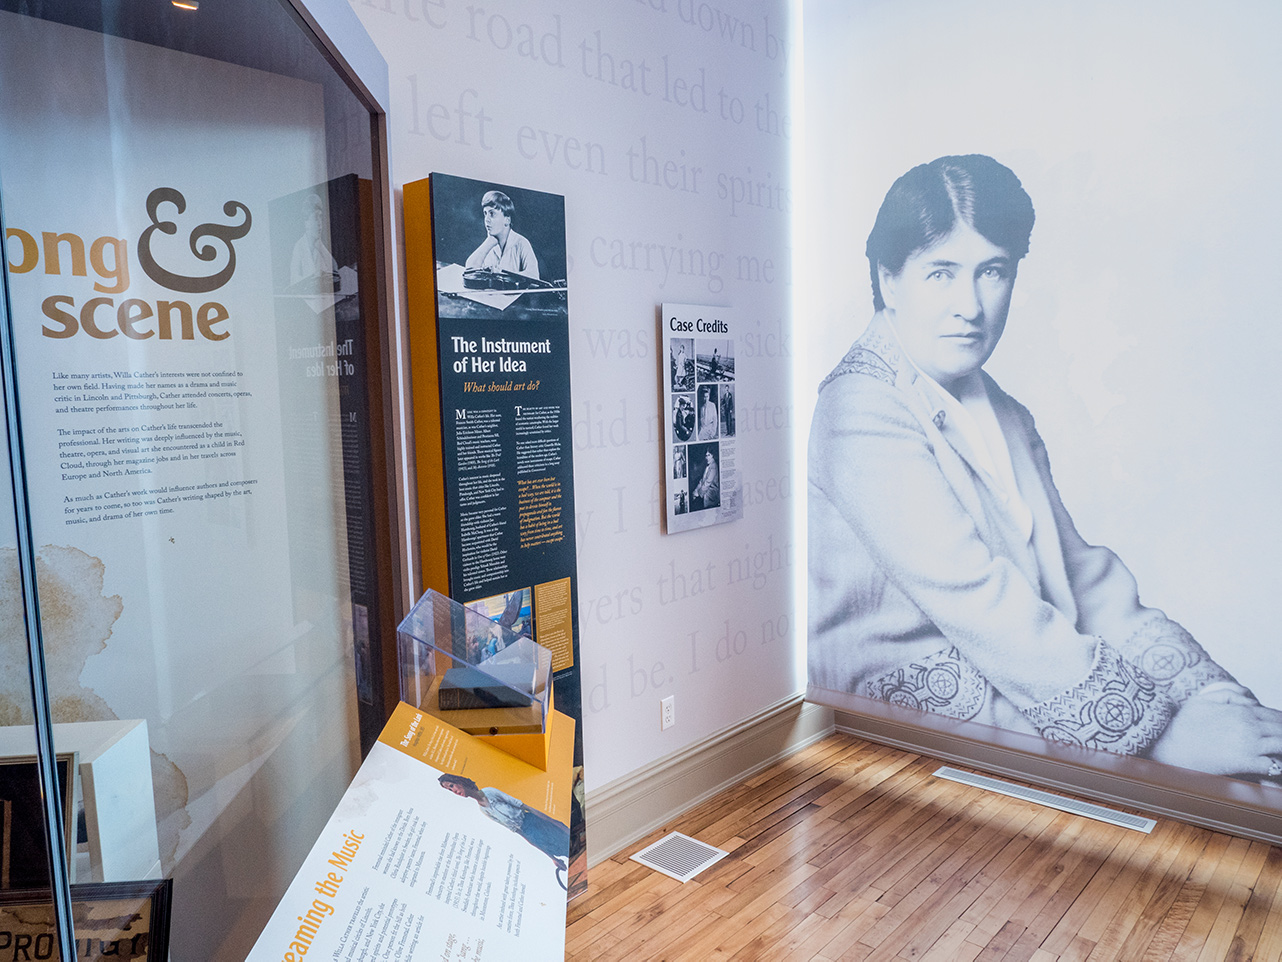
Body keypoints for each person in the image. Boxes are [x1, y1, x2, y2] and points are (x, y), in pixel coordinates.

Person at [808, 154, 1282, 782]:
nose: (970, 306)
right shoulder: (858, 406)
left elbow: (1083, 579)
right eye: (941, 273)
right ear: (888, 280)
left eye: (992, 272)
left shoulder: (1003, 411)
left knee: (1245, 763)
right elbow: (980, 601)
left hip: (1027, 682)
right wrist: (1163, 734)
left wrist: (1209, 698)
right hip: (906, 736)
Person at [438, 774, 570, 881]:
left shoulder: (489, 792)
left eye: (452, 785)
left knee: (568, 843)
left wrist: (556, 823)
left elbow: (526, 807)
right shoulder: (484, 811)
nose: (454, 791)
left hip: (537, 822)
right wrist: (552, 858)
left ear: (459, 781)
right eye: (449, 790)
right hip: (532, 835)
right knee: (563, 853)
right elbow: (520, 833)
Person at [464, 190, 539, 279]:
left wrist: (502, 274)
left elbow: (534, 277)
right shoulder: (489, 244)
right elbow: (469, 271)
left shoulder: (521, 243)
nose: (486, 219)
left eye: (492, 214)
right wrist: (488, 243)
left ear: (507, 220)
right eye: (485, 213)